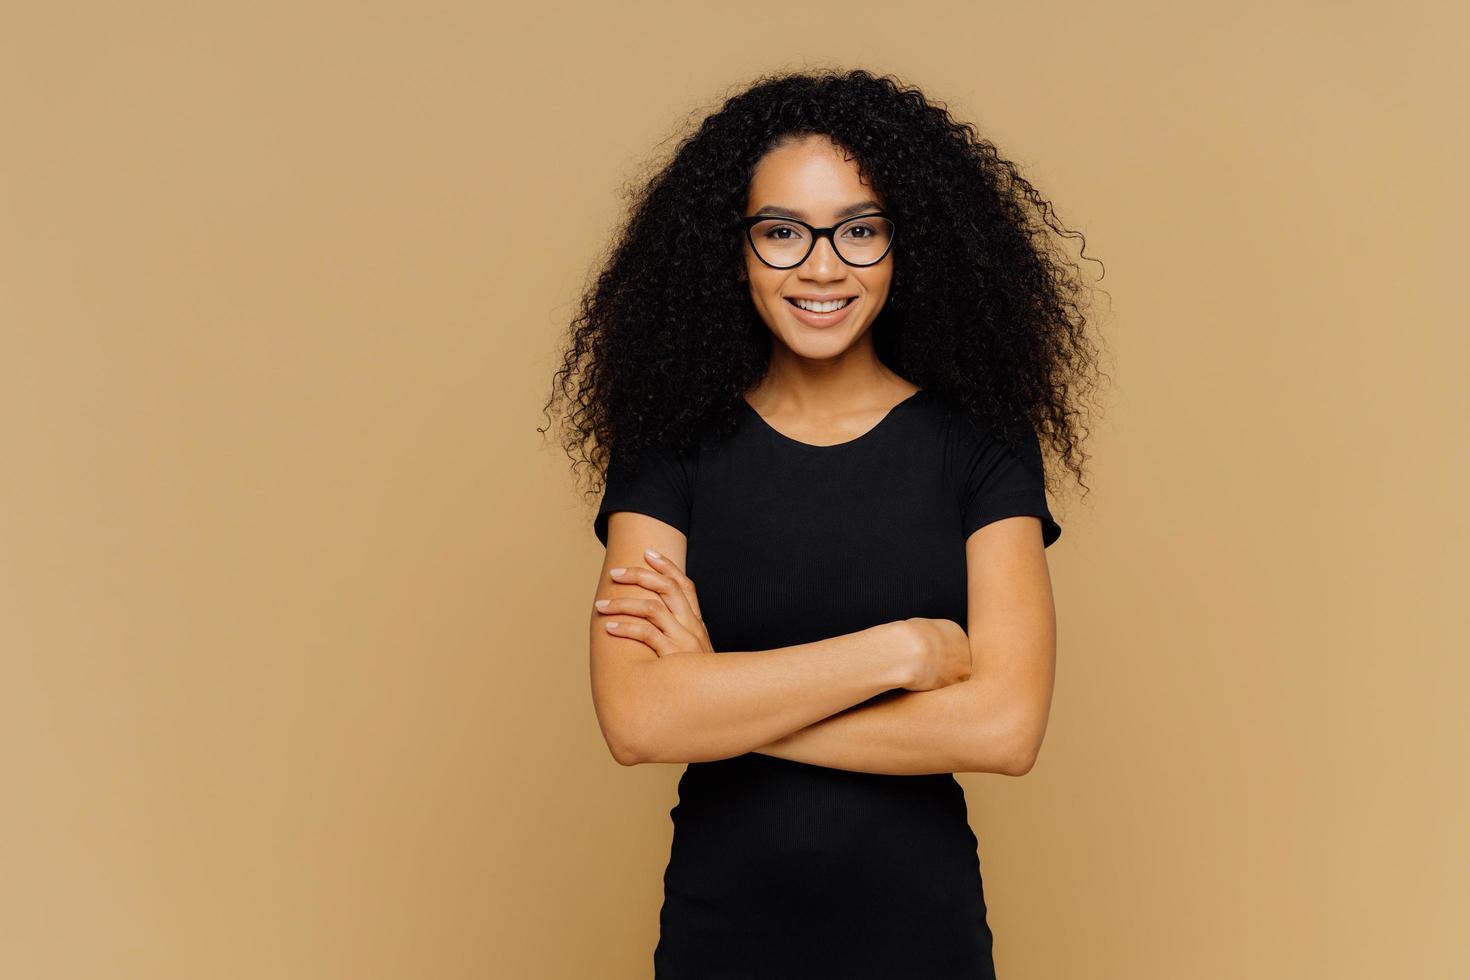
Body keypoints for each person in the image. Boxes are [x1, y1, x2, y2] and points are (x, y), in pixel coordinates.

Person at [546, 67, 1102, 980]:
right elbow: (638, 718)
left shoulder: (981, 451)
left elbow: (1004, 729)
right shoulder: (669, 454)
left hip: (923, 941)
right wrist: (899, 656)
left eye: (859, 229)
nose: (821, 264)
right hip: (720, 937)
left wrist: (719, 699)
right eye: (780, 233)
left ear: (901, 245)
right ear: (734, 252)